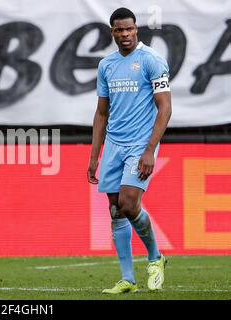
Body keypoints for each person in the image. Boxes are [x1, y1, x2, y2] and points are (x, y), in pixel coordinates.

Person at [87, 8, 172, 294]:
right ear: (112, 32)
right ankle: (128, 279)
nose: (125, 35)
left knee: (128, 201)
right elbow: (101, 113)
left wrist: (150, 150)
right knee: (116, 210)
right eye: (119, 30)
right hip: (114, 144)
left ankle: (155, 258)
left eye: (130, 29)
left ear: (137, 29)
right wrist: (94, 155)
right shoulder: (106, 65)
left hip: (140, 143)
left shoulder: (151, 60)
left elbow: (165, 108)